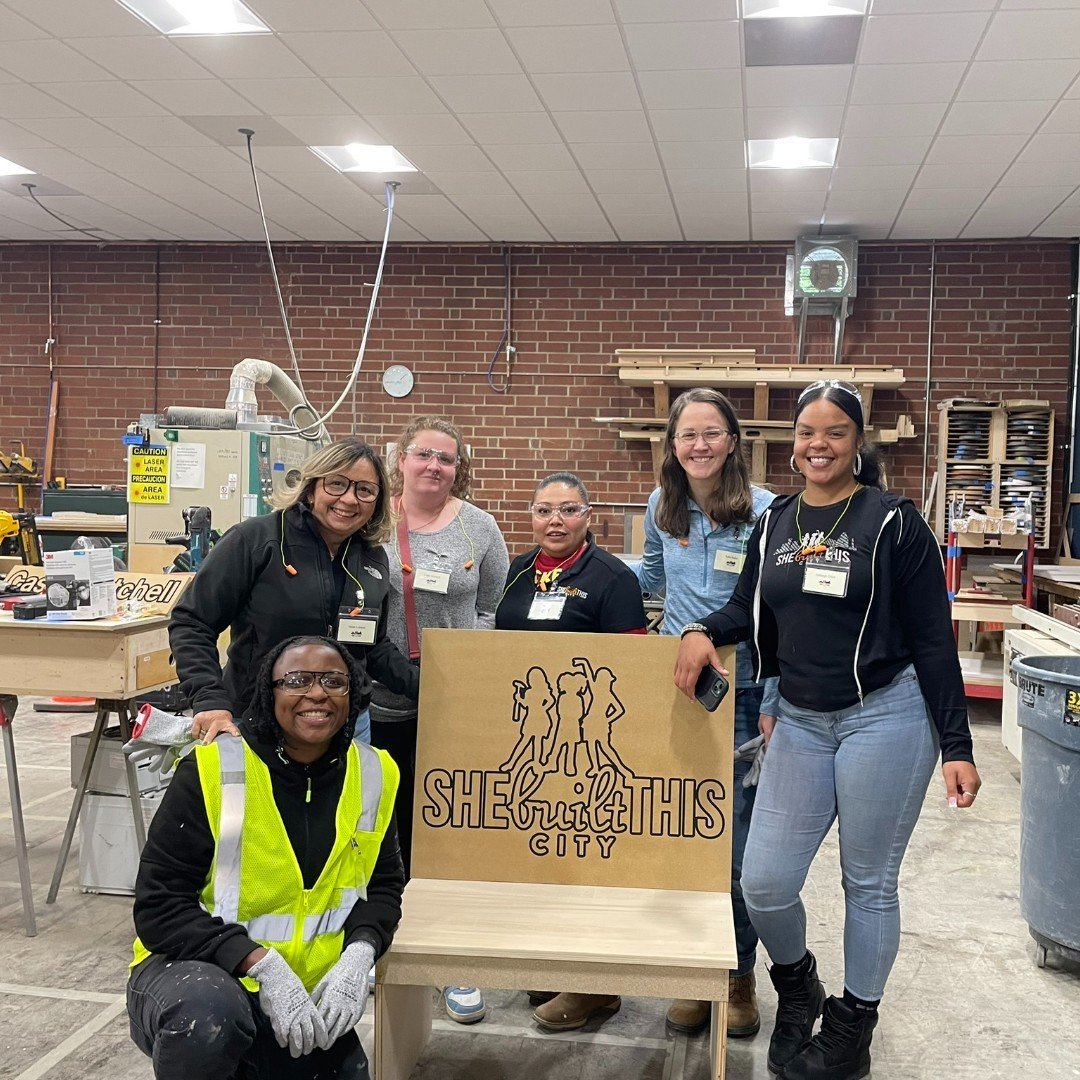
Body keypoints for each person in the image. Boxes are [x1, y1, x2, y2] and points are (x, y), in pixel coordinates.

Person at [674, 380, 982, 1080]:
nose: (819, 444)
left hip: (887, 715)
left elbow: (934, 640)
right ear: (792, 443)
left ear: (857, 441)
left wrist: (957, 745)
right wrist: (699, 630)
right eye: (807, 432)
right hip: (802, 721)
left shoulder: (894, 522)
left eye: (835, 432)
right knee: (765, 881)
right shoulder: (776, 522)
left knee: (867, 881)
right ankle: (798, 986)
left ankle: (851, 1030)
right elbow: (746, 610)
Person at [127, 635, 404, 1080]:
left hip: (301, 996)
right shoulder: (214, 769)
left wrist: (359, 954)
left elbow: (384, 887)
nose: (317, 693)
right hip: (199, 972)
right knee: (209, 1021)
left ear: (352, 694)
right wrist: (262, 964)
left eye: (334, 681)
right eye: (296, 681)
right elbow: (159, 907)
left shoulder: (374, 773)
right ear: (268, 692)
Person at [635, 387, 779, 1041]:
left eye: (711, 433)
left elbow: (779, 613)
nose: (699, 445)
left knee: (738, 853)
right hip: (682, 692)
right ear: (672, 444)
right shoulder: (660, 507)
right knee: (681, 839)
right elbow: (650, 582)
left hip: (743, 695)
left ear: (732, 441)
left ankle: (737, 976)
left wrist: (774, 698)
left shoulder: (767, 511)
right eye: (687, 434)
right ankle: (693, 972)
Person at [368, 416, 509, 1024]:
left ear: (458, 468)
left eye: (446, 459)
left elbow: (492, 606)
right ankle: (381, 946)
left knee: (447, 832)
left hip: (451, 702)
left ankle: (453, 959)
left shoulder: (479, 527)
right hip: (374, 701)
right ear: (400, 458)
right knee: (380, 827)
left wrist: (471, 664)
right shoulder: (372, 519)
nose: (434, 466)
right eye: (424, 454)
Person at [495, 470, 647, 1033]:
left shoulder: (611, 578)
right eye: (543, 510)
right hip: (530, 736)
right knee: (539, 854)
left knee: (587, 858)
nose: (554, 521)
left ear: (588, 516)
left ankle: (594, 984)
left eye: (567, 510)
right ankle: (554, 962)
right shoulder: (518, 571)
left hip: (585, 746)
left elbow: (631, 670)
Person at [169, 438, 419, 746]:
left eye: (365, 490)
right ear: (311, 488)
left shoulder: (372, 559)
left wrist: (430, 688)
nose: (350, 499)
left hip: (347, 725)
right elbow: (192, 622)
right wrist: (209, 700)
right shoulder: (256, 541)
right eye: (337, 484)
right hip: (260, 721)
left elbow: (372, 646)